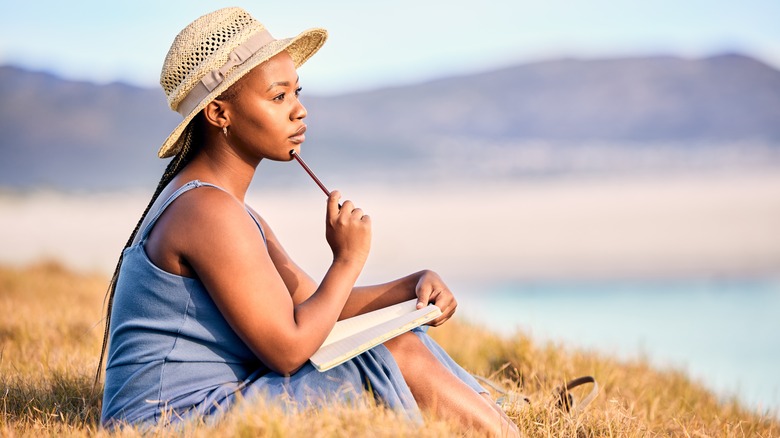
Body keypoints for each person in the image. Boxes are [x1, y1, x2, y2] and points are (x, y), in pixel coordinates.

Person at [97, 7, 519, 436]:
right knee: (392, 349)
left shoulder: (224, 209)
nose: (299, 111)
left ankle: (495, 417)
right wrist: (347, 260)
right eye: (278, 97)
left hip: (206, 407)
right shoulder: (208, 213)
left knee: (397, 336)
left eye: (297, 93)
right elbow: (287, 350)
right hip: (174, 424)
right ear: (219, 114)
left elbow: (309, 303)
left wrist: (410, 288)